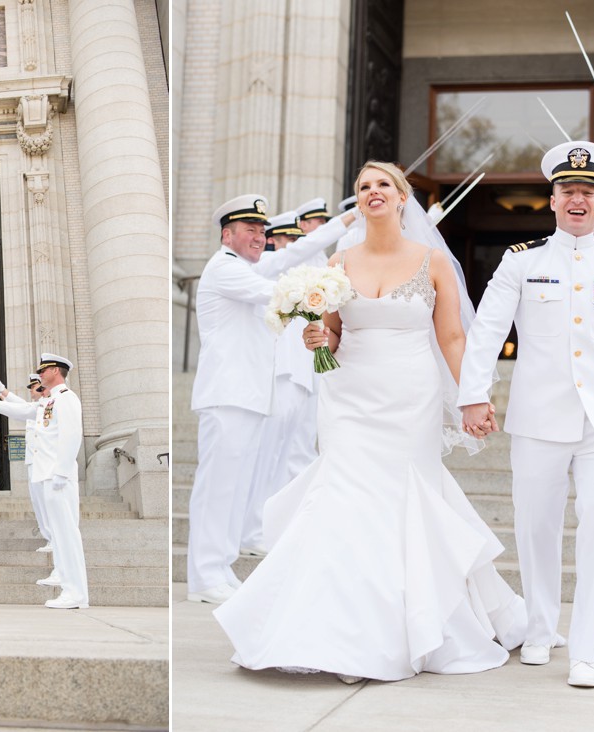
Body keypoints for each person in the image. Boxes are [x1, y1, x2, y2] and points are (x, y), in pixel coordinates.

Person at [213, 161, 526, 682]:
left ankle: (400, 631)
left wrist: (474, 396)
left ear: (404, 198)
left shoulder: (433, 262)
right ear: (357, 200)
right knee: (344, 501)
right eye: (364, 186)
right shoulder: (338, 262)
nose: (373, 191)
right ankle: (341, 635)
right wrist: (316, 339)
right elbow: (332, 336)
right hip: (348, 398)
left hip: (410, 396)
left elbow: (451, 338)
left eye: (384, 184)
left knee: (403, 502)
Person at [458, 141, 594, 688]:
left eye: (587, 192)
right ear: (551, 199)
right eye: (567, 190)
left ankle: (587, 651)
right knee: (537, 528)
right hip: (539, 419)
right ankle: (542, 631)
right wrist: (475, 393)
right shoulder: (522, 261)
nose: (577, 199)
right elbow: (487, 331)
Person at [187, 194, 359, 604]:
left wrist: (347, 220)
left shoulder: (245, 265)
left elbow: (292, 254)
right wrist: (324, 293)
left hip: (247, 396)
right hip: (228, 395)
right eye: (250, 230)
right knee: (218, 488)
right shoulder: (224, 268)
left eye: (262, 231)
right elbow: (277, 294)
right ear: (227, 234)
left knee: (236, 487)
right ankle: (205, 575)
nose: (258, 237)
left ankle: (220, 568)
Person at [0, 354, 88, 609]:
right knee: (59, 535)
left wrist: (62, 472)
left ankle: (77, 592)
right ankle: (69, 589)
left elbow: (71, 436)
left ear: (55, 371)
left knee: (67, 535)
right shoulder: (48, 401)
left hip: (58, 477)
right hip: (46, 475)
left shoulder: (67, 398)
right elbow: (22, 411)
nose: (39, 374)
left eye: (43, 371)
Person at [240, 211, 317, 557]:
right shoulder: (269, 265)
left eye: (298, 240)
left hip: (304, 373)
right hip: (280, 372)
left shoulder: (305, 274)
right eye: (289, 240)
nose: (295, 247)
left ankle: (280, 525)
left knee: (294, 453)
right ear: (275, 240)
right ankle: (252, 529)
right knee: (268, 455)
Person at [0, 373, 53, 553]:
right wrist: (1, 391)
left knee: (46, 502)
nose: (32, 391)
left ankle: (55, 538)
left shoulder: (46, 406)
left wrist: (0, 393)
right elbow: (20, 406)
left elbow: (19, 408)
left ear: (41, 389)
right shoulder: (35, 407)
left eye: (33, 387)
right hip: (33, 461)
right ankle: (49, 538)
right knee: (38, 502)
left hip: (45, 462)